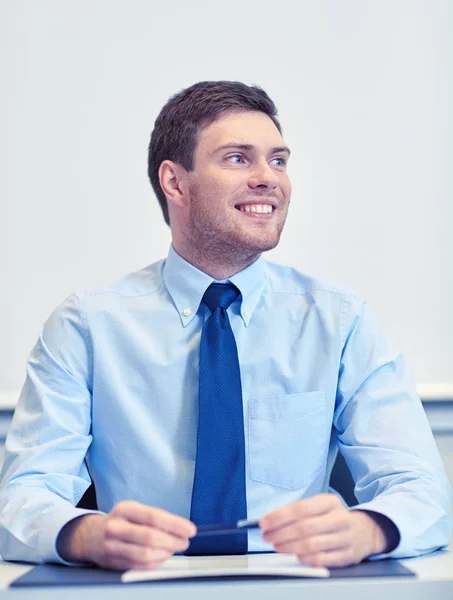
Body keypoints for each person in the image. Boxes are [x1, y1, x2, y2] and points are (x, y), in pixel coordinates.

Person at [0, 81, 450, 570]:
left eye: (278, 161)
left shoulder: (339, 321)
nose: (269, 179)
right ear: (175, 183)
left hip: (299, 585)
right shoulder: (86, 326)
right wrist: (85, 536)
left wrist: (369, 529)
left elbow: (421, 489)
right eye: (238, 158)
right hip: (140, 585)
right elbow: (22, 499)